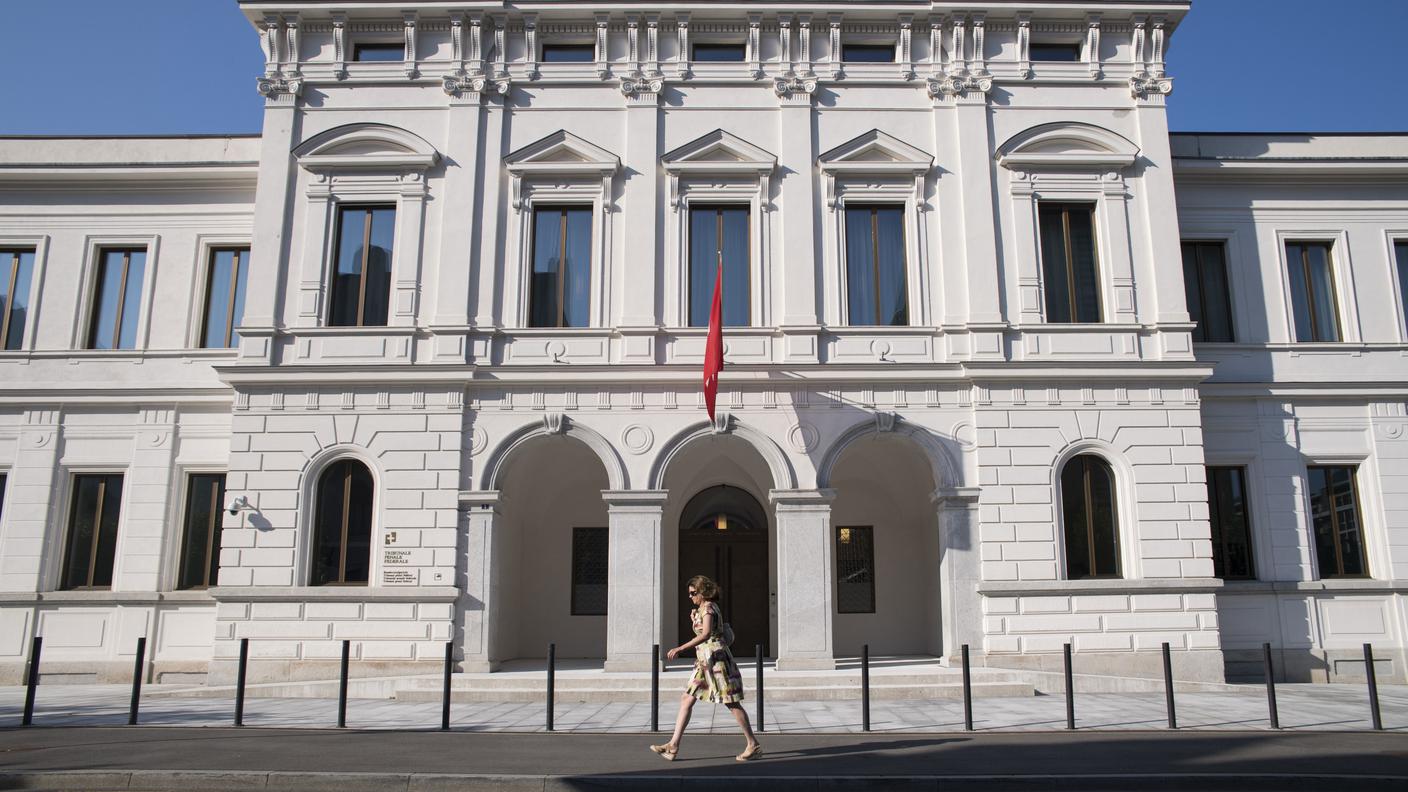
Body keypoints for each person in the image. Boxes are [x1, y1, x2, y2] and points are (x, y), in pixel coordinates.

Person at [649, 575, 762, 762]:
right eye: (689, 593)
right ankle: (673, 745)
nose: (690, 596)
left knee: (731, 701)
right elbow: (703, 631)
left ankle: (753, 744)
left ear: (703, 592)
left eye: (693, 593)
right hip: (704, 662)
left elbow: (707, 634)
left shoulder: (708, 607)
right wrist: (695, 618)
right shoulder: (702, 608)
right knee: (686, 698)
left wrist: (680, 648)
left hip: (716, 661)